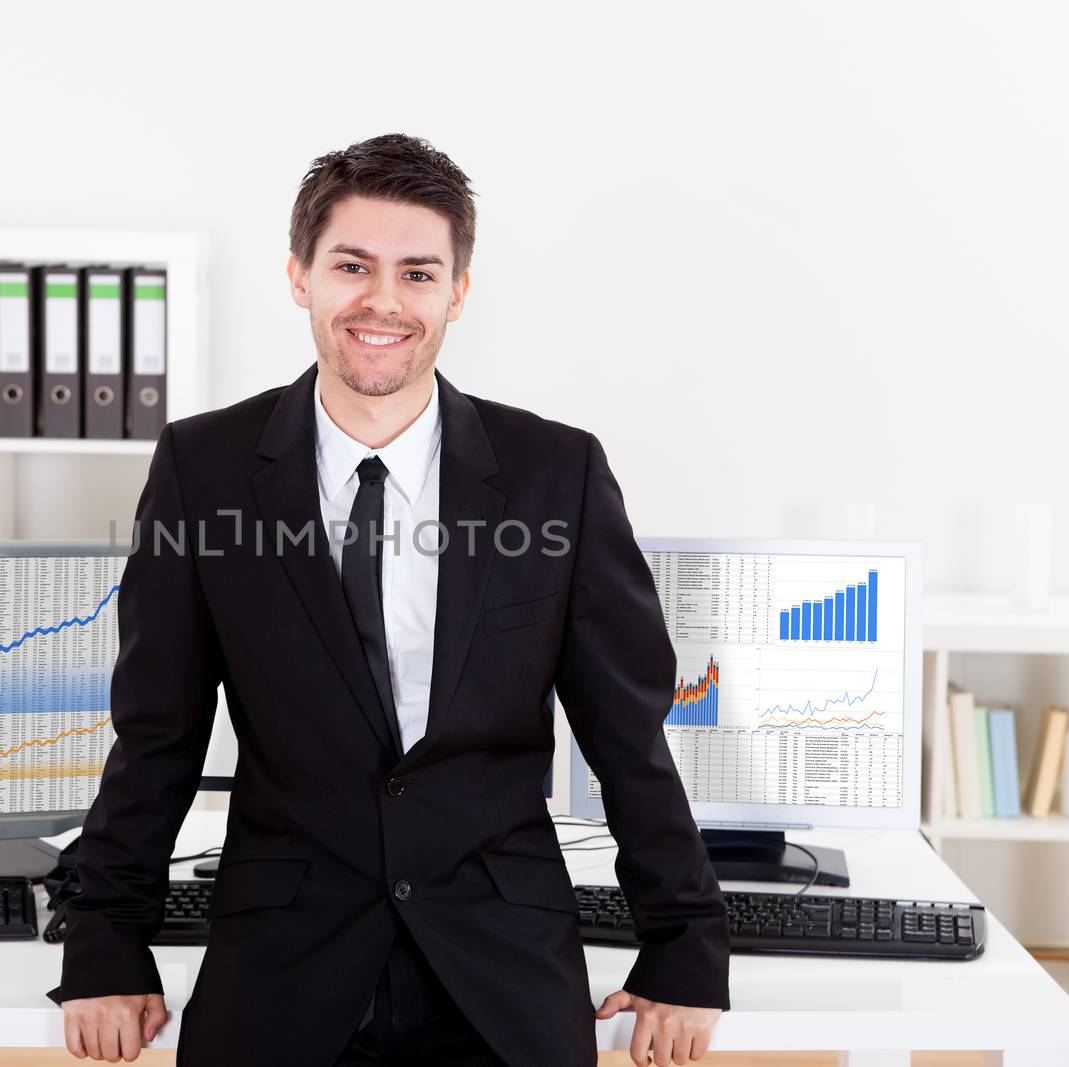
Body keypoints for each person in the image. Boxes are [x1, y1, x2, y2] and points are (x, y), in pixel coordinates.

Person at [48, 133, 730, 1067]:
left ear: (456, 292)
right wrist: (105, 942)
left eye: (417, 273)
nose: (382, 301)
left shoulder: (554, 475)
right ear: (300, 276)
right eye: (352, 266)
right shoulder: (203, 468)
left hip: (499, 956)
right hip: (286, 951)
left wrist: (684, 943)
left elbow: (627, 733)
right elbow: (157, 730)